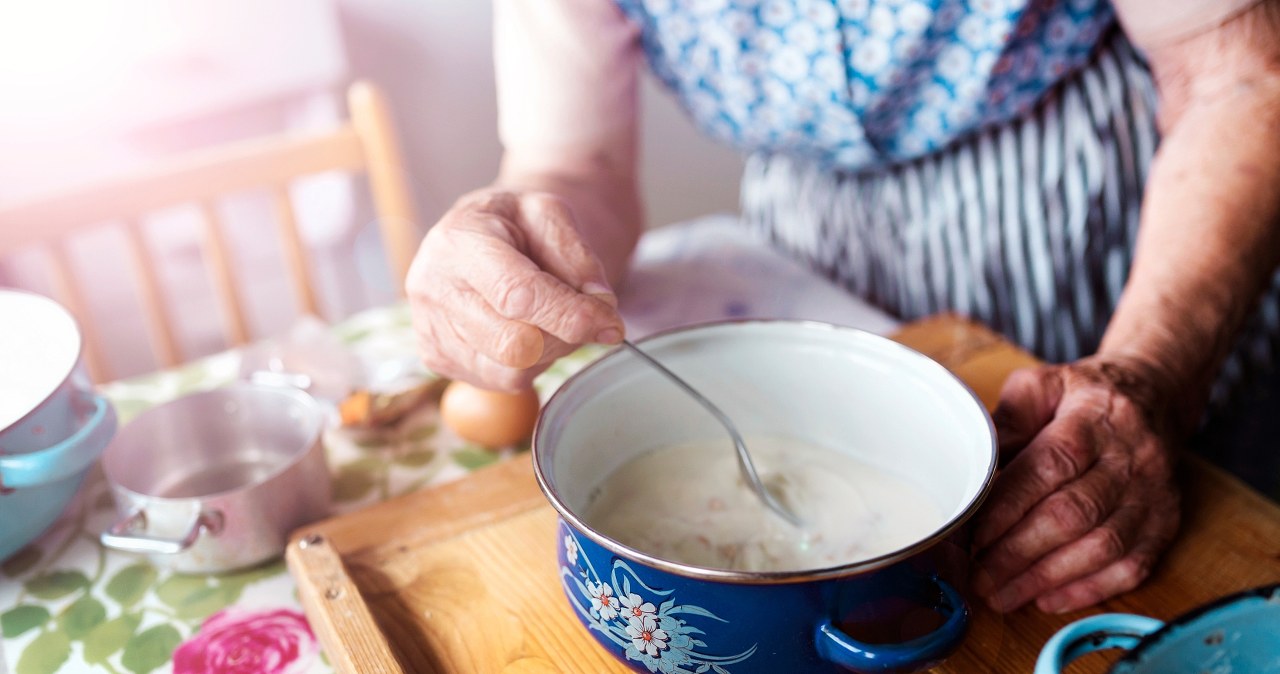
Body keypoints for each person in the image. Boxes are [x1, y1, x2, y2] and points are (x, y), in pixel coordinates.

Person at [405, 0, 1280, 616]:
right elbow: (575, 160)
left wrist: (1151, 370)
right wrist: (518, 235)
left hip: (1123, 257)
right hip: (807, 267)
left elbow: (1238, 80)